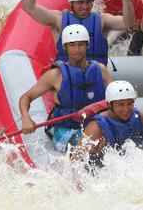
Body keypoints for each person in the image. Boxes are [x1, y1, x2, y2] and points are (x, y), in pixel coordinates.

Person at [18, 24, 112, 152]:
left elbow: (114, 100)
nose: (77, 49)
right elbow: (26, 97)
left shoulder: (101, 70)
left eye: (81, 44)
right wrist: (26, 118)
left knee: (106, 139)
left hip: (95, 126)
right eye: (72, 45)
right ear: (65, 48)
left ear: (87, 46)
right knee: (95, 143)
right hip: (66, 130)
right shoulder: (55, 75)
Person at [22, 0, 134, 65]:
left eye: (88, 2)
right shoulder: (58, 19)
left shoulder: (103, 20)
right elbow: (29, 7)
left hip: (95, 78)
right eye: (80, 2)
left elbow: (127, 22)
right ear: (71, 3)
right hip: (66, 79)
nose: (85, 6)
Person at [70, 80, 143, 166]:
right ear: (110, 104)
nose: (126, 109)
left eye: (129, 104)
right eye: (121, 104)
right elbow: (76, 159)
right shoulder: (96, 126)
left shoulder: (137, 116)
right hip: (102, 173)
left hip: (131, 168)